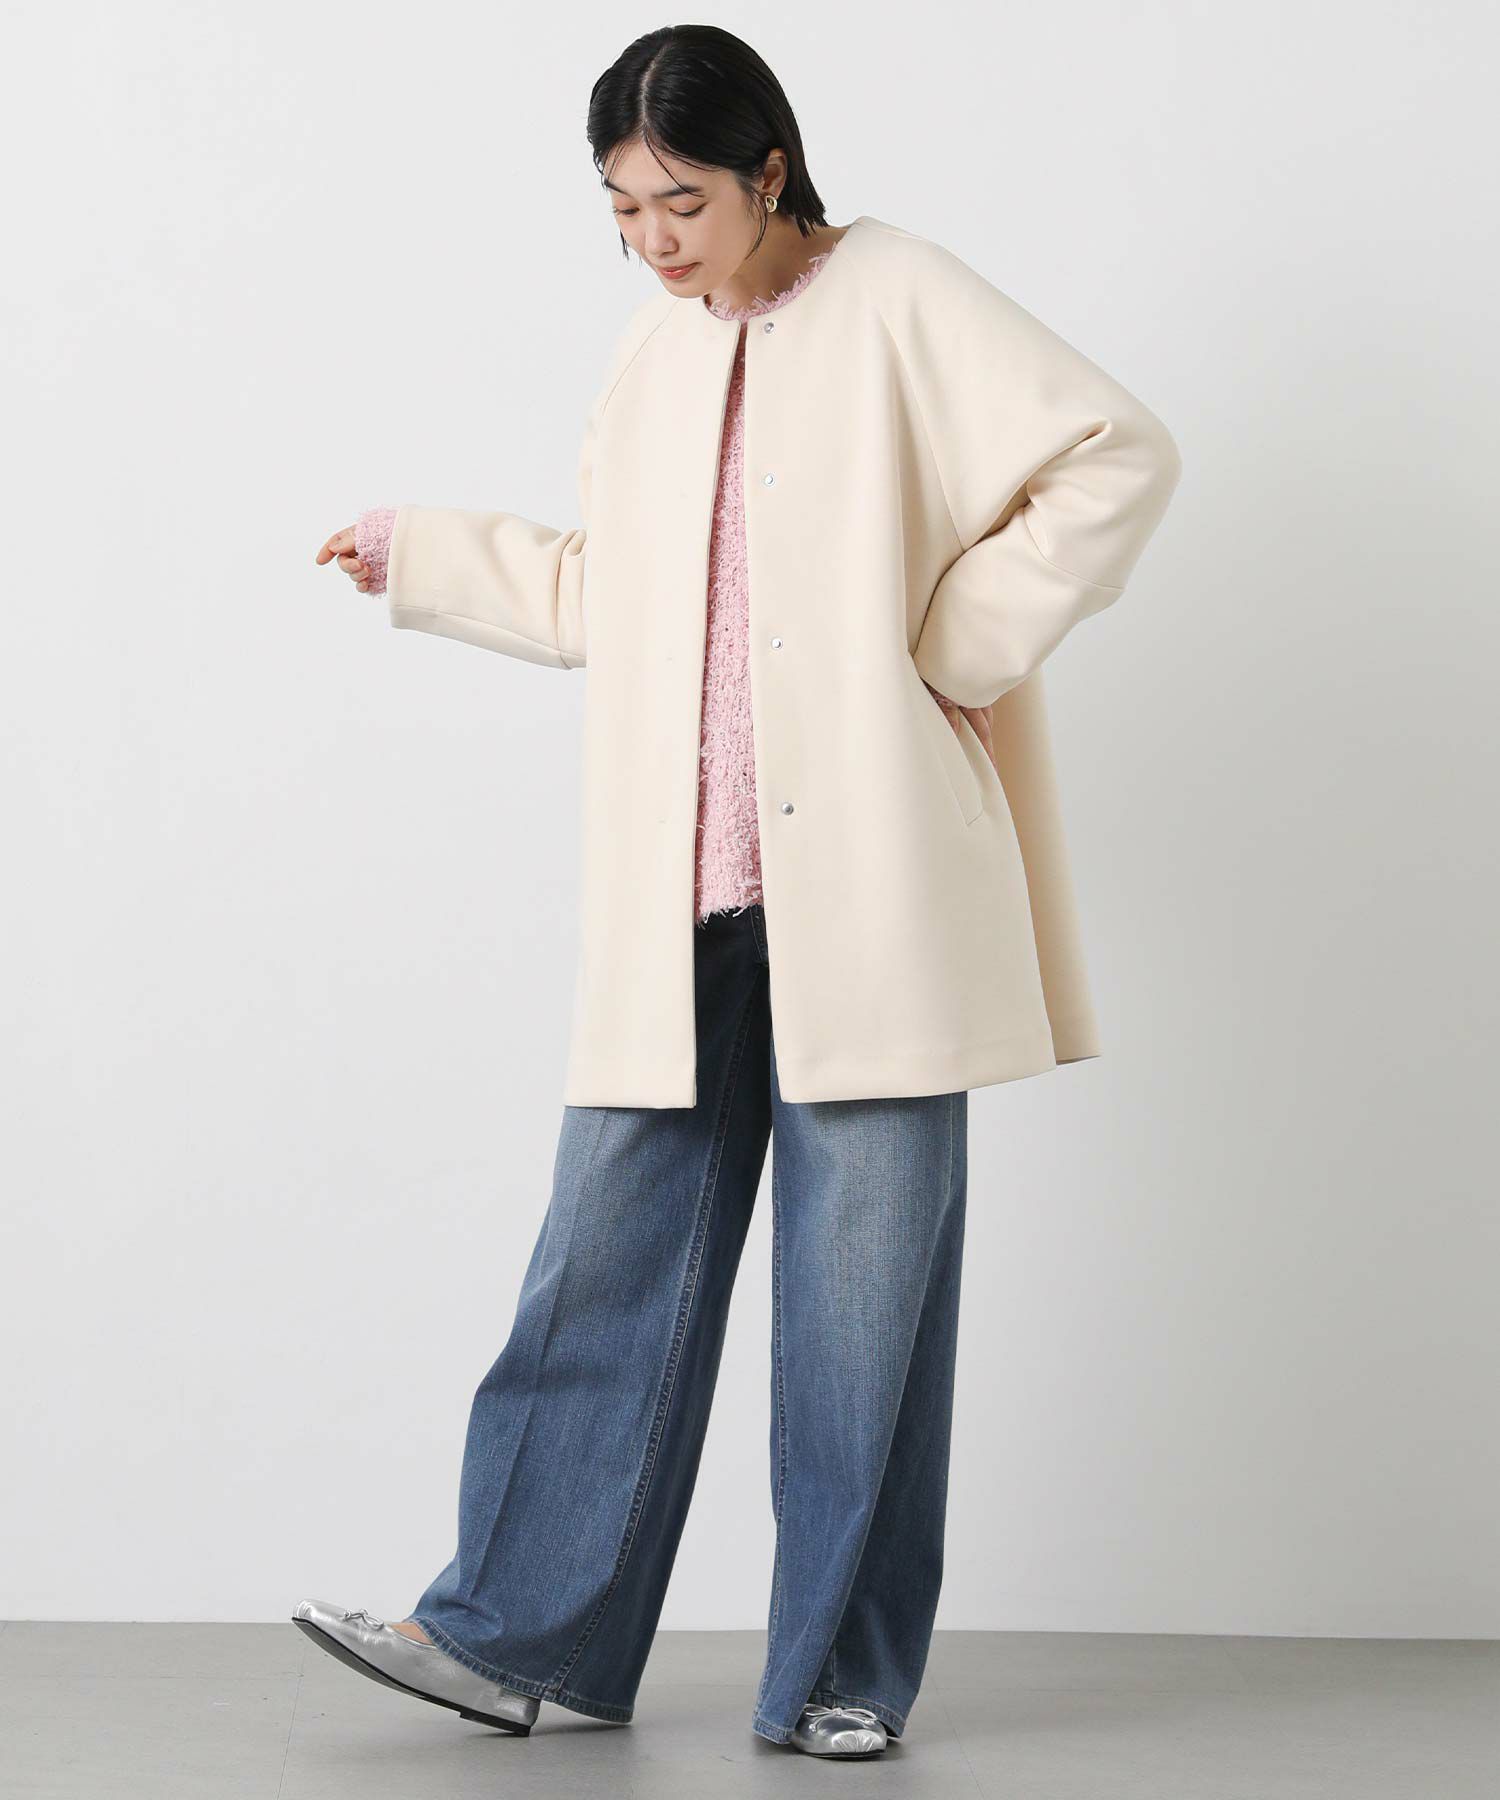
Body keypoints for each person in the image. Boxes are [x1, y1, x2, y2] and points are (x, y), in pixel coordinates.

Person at [297, 23, 1181, 1762]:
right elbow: (617, 597)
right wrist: (427, 553)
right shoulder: (657, 349)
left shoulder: (903, 295)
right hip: (688, 894)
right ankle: (517, 1635)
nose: (652, 241)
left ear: (770, 169)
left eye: (681, 203)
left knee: (864, 1315)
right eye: (622, 210)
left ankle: (841, 1676)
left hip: (873, 889)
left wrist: (956, 641)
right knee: (599, 1268)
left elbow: (1119, 452)